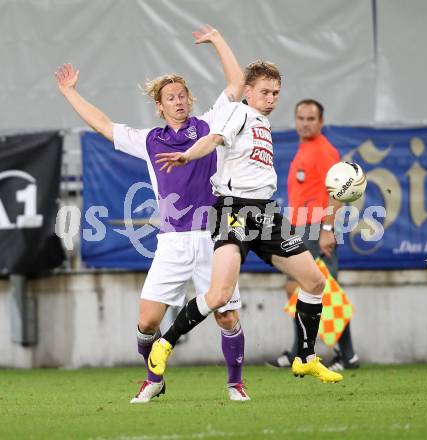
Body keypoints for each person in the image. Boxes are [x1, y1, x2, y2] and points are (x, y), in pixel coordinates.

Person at [55, 25, 250, 402]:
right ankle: (154, 378)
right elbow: (103, 124)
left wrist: (218, 40)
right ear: (159, 106)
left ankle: (235, 383)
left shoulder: (210, 126)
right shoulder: (149, 140)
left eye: (182, 95)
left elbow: (238, 83)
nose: (178, 101)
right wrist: (69, 92)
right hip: (172, 243)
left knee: (226, 316)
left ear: (189, 100)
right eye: (170, 97)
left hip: (213, 237)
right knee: (146, 323)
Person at [151, 61, 343, 385]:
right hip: (234, 210)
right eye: (265, 92)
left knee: (314, 282)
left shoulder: (261, 122)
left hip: (266, 213)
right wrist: (187, 156)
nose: (271, 98)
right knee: (219, 296)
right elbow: (212, 141)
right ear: (249, 91)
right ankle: (165, 342)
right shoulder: (237, 113)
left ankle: (306, 357)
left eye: (276, 93)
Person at [267, 99, 360, 371]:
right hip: (300, 229)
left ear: (321, 122)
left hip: (318, 228)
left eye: (311, 119)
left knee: (325, 290)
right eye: (301, 118)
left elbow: (338, 193)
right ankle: (300, 351)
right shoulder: (305, 148)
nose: (305, 123)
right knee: (295, 288)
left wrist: (328, 230)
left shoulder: (324, 151)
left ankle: (348, 354)